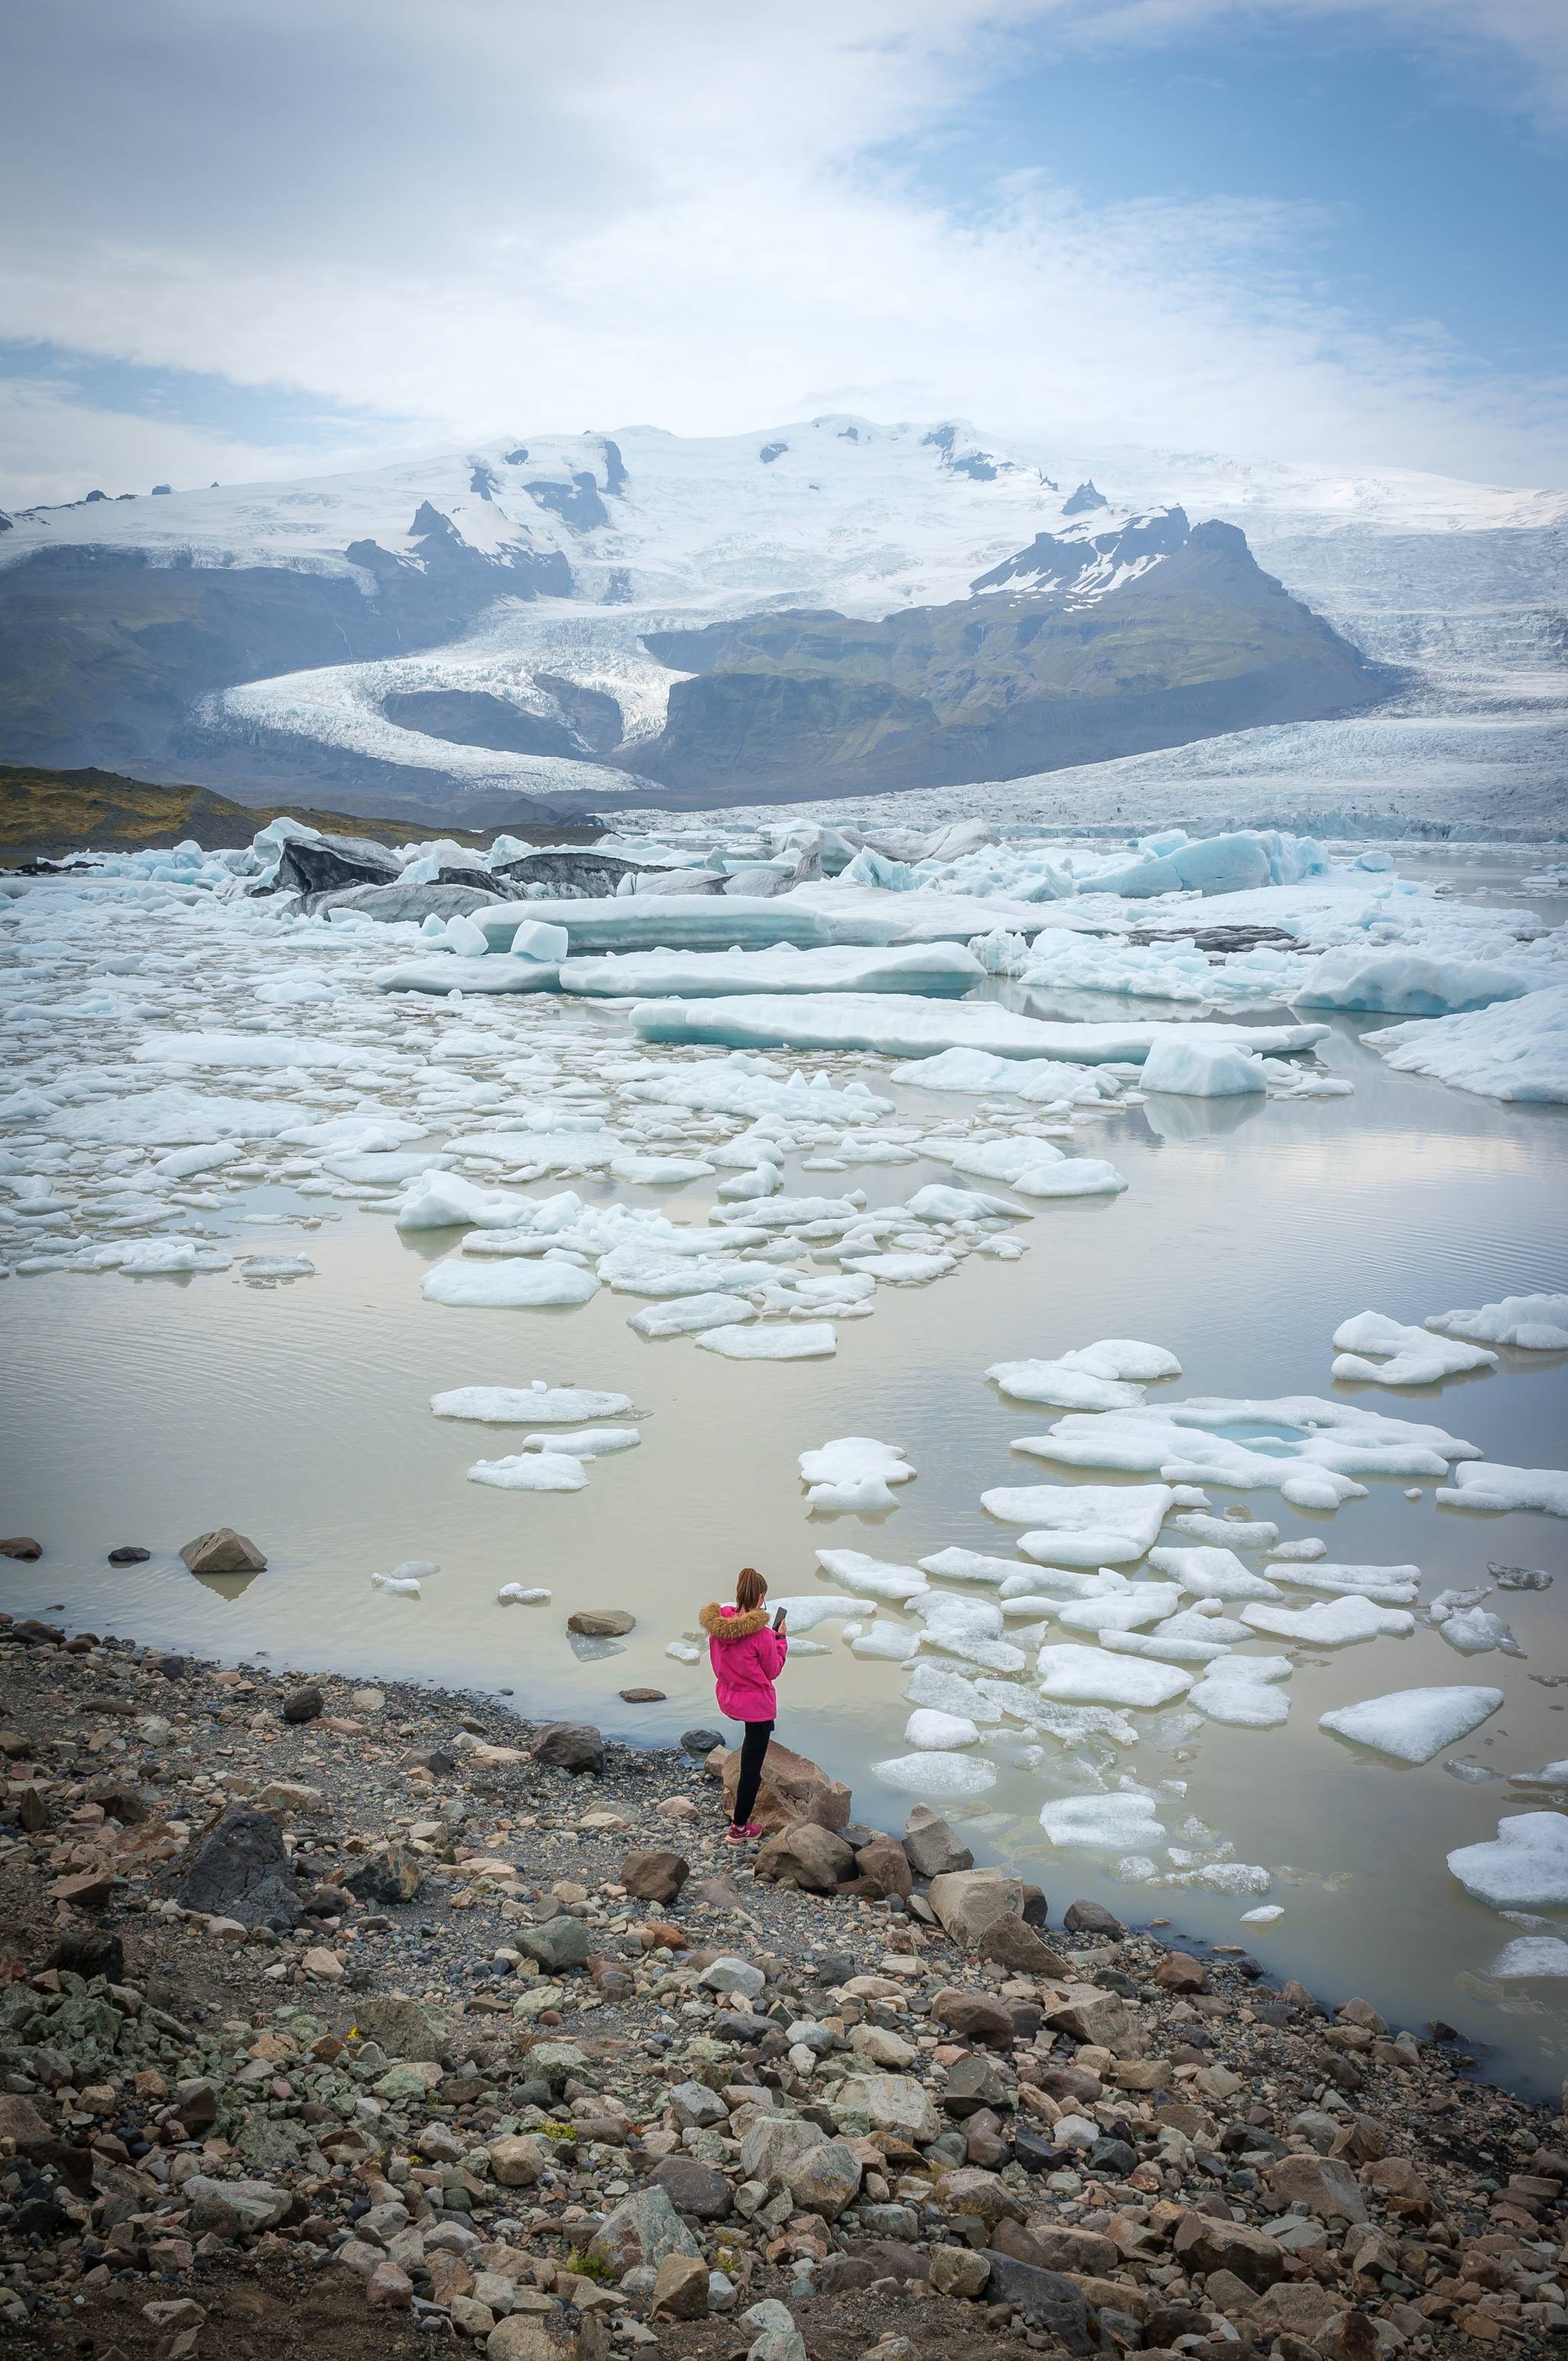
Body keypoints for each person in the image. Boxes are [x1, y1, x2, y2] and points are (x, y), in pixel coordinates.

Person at [700, 1567, 787, 1844]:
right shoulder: (762, 1635)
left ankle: (738, 1815)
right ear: (761, 1596)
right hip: (755, 1705)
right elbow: (772, 1670)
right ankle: (739, 1829)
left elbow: (730, 1659)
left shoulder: (717, 1628)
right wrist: (780, 1640)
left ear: (738, 1592)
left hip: (728, 1696)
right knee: (752, 1767)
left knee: (752, 1747)